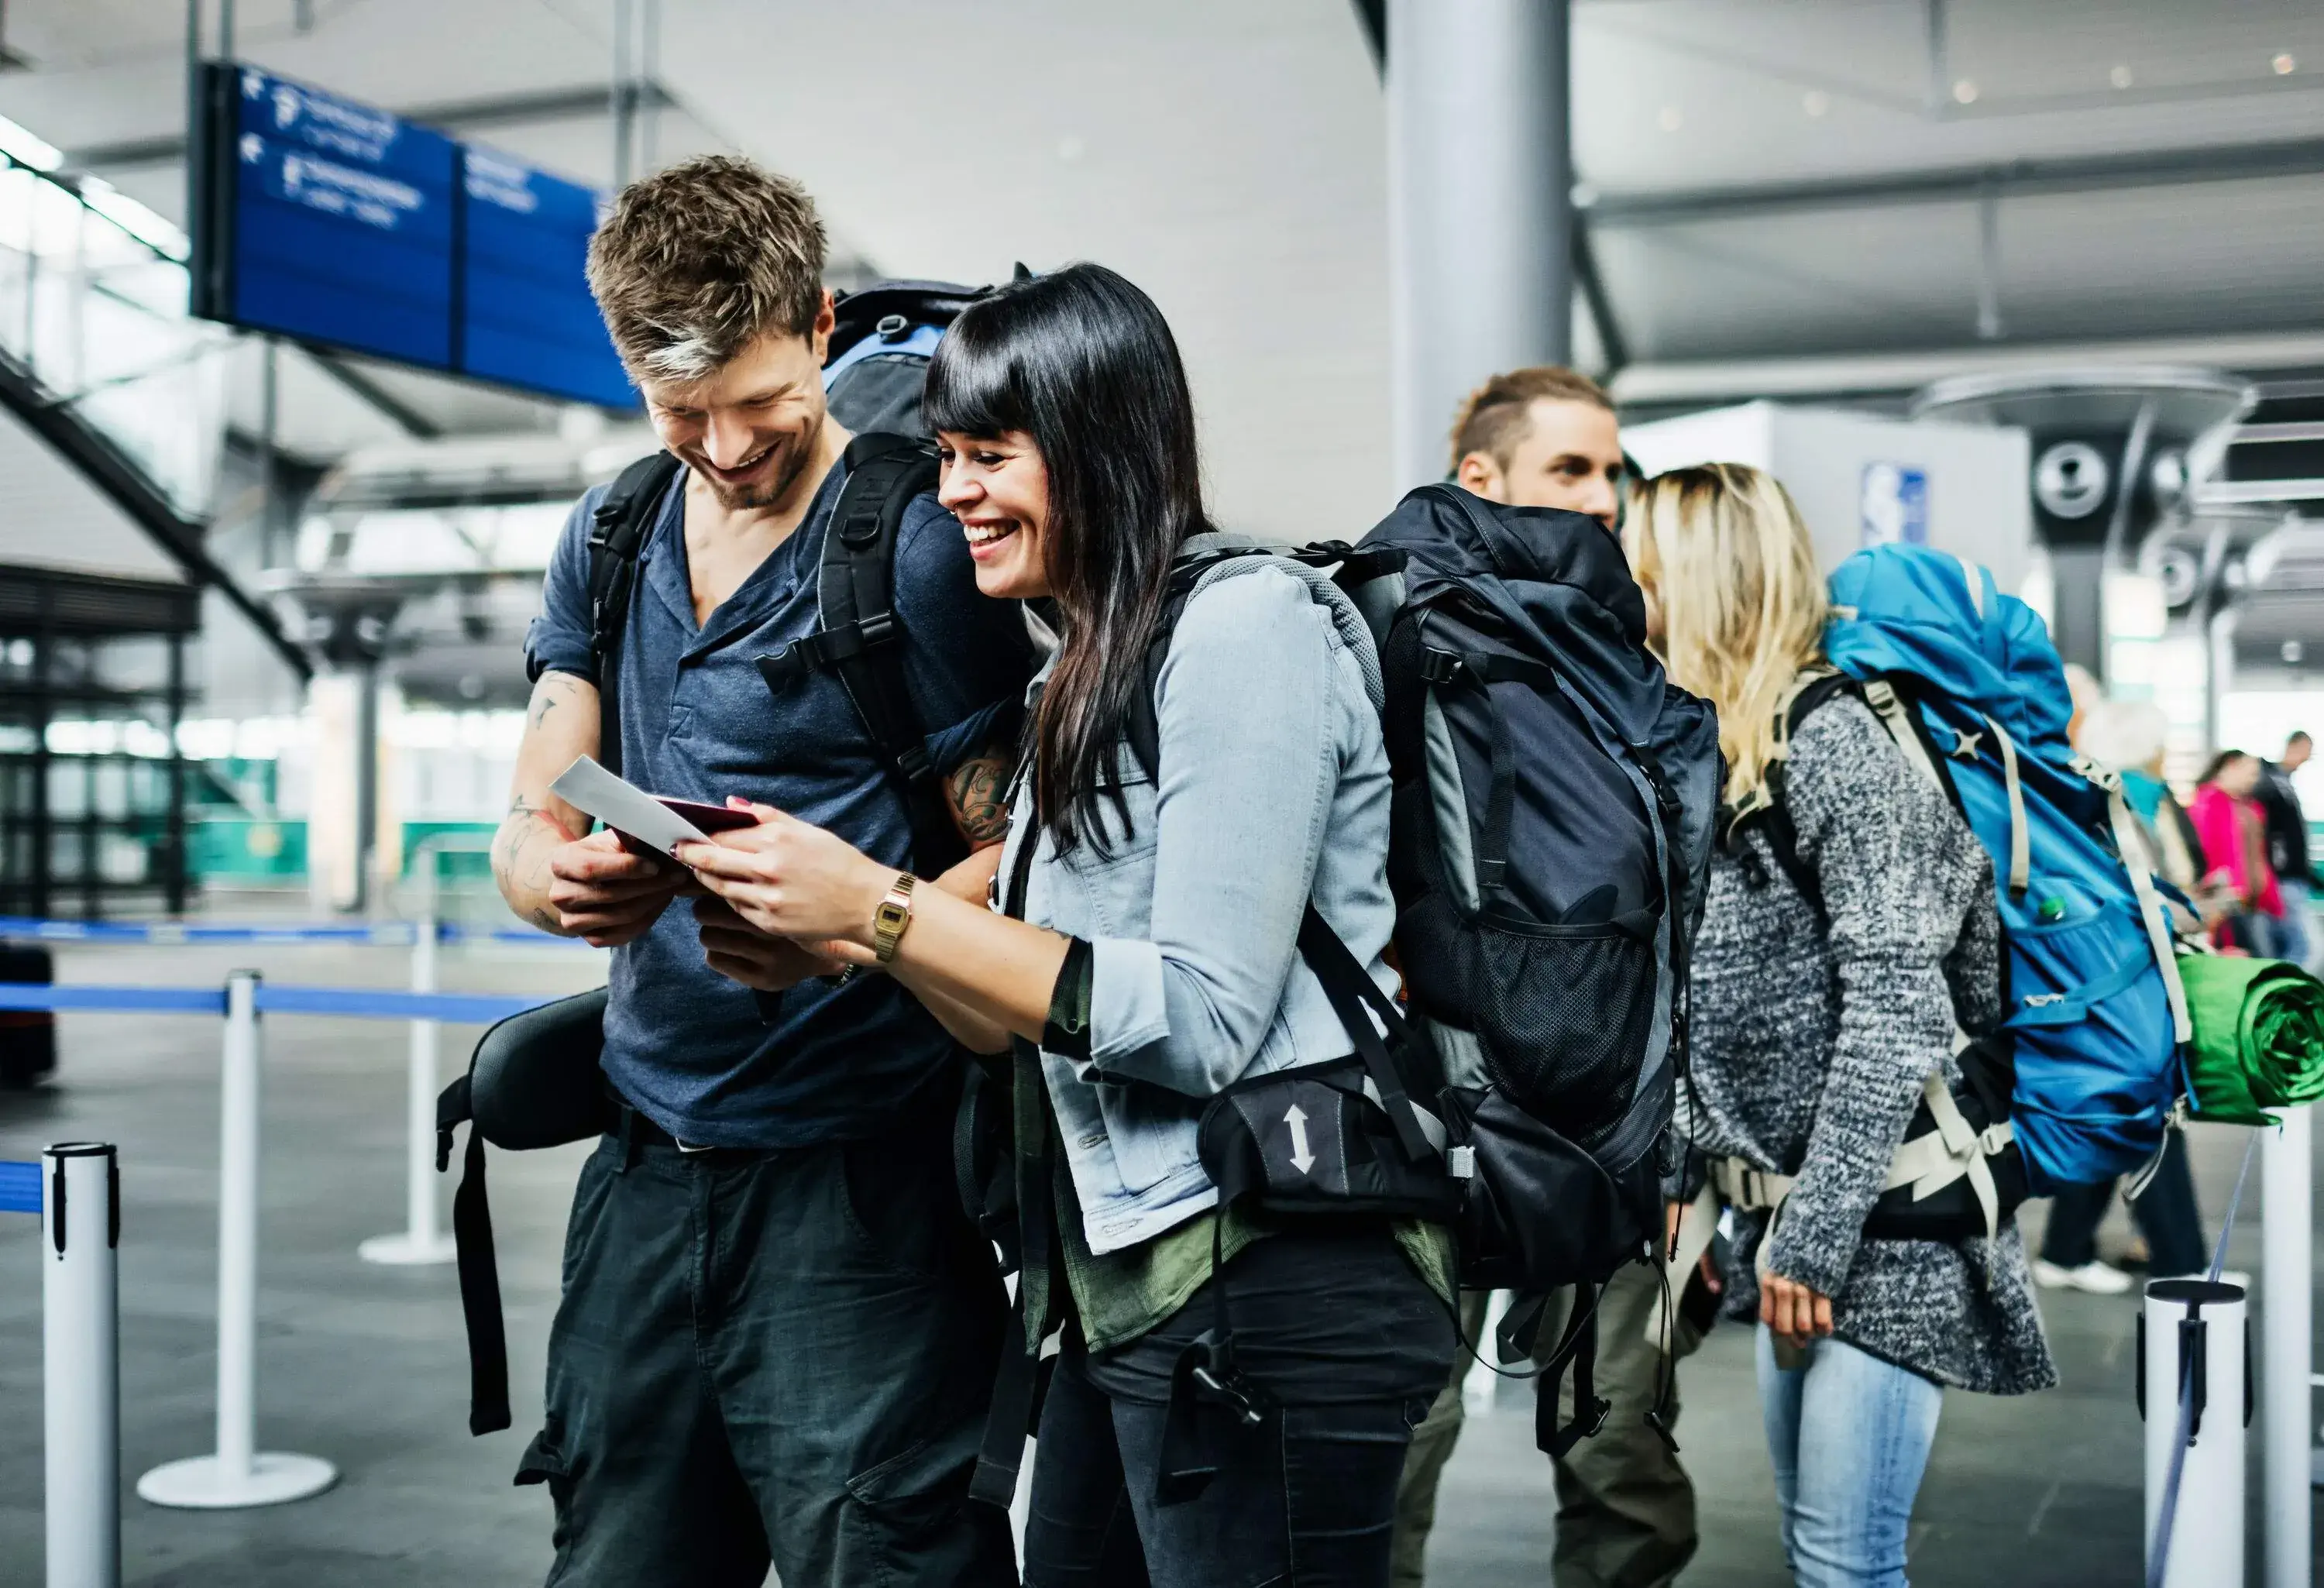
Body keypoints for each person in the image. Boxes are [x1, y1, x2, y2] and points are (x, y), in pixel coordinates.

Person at [675, 262, 1459, 1588]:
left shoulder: (1246, 628)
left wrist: (874, 902)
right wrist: (855, 933)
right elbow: (1016, 1013)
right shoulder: (1082, 664)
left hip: (1276, 1276)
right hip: (1133, 1282)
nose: (953, 493)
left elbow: (1205, 1020)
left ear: (1102, 449)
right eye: (946, 457)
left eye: (990, 456)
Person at [490, 155, 1030, 1586]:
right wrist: (558, 883)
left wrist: (849, 930)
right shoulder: (608, 537)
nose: (727, 449)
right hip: (643, 1174)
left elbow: (1027, 864)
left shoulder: (920, 542)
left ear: (823, 324)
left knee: (891, 1559)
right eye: (682, 412)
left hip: (864, 1193)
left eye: (760, 403)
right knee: (619, 1557)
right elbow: (527, 817)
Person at [1624, 463, 2054, 1587]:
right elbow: (1700, 1008)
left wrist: (1808, 1234)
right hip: (1804, 1228)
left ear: (1705, 582)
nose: (1627, 589)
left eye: (1646, 564)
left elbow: (1896, 1012)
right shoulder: (1726, 755)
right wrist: (1692, 1189)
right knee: (1822, 1551)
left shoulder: (1837, 748)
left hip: (1891, 1223)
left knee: (1845, 1563)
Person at [1390, 363, 1702, 1588]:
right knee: (1394, 1444)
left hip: (1608, 1114)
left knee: (1623, 1451)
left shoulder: (1625, 653)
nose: (1604, 496)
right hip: (1426, 1109)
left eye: (1611, 471)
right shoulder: (1383, 623)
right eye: (1572, 468)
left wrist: (1677, 1141)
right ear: (1485, 475)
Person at [2029, 699, 2211, 1294]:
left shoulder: (2084, 798)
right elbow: (2138, 899)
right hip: (2125, 986)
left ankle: (2069, 1248)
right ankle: (2180, 1266)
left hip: (2101, 988)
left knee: (2119, 1116)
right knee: (2146, 1117)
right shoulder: (2122, 802)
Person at [2190, 750, 2284, 957]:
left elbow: (2258, 855)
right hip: (2228, 902)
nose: (2254, 780)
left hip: (2252, 901)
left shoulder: (2249, 807)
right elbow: (2204, 855)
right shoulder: (2207, 803)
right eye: (2250, 773)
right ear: (2231, 766)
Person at [2257, 731, 2317, 971]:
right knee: (2306, 947)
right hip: (2282, 880)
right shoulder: (2271, 784)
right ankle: (2286, 993)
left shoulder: (2284, 784)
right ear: (2295, 746)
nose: (2308, 758)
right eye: (2307, 750)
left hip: (2291, 878)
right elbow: (2268, 835)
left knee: (2291, 945)